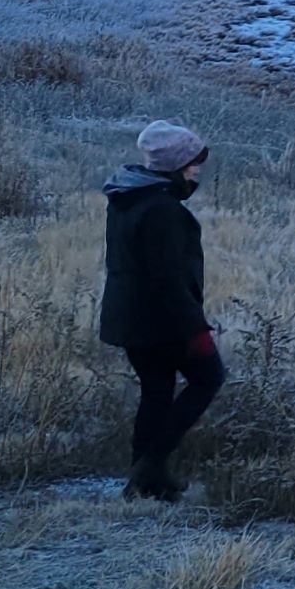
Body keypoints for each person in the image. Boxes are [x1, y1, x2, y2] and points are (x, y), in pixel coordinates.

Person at [97, 120, 219, 503]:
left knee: (156, 393)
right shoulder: (163, 210)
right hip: (162, 321)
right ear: (175, 167)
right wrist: (195, 329)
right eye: (192, 165)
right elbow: (168, 278)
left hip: (130, 318)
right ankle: (150, 466)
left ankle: (146, 480)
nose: (196, 172)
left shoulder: (127, 198)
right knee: (208, 378)